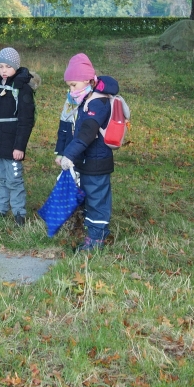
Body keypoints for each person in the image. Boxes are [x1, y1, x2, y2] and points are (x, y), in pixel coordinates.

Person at [55, 53, 117, 251]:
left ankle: (96, 240)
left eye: (74, 85)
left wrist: (69, 155)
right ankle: (93, 233)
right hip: (88, 162)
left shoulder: (97, 103)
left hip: (97, 163)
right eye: (69, 85)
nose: (71, 90)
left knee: (97, 201)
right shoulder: (87, 99)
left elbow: (86, 134)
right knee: (90, 199)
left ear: (88, 80)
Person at [0, 47, 37, 225]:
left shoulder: (22, 89)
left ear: (16, 67)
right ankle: (0, 210)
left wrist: (20, 147)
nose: (3, 70)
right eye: (1, 66)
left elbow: (25, 121)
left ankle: (19, 212)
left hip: (12, 144)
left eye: (7, 66)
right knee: (0, 179)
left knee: (14, 179)